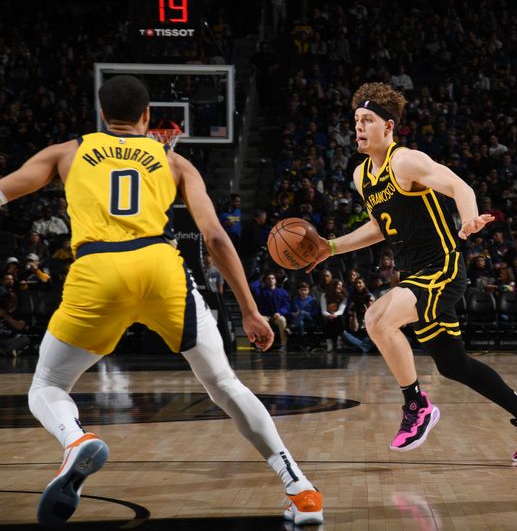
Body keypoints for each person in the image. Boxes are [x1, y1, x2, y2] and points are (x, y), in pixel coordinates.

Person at [0, 76, 322, 526]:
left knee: (47, 385)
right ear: (148, 117)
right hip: (161, 268)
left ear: (100, 116)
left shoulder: (67, 152)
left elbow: (5, 190)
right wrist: (250, 309)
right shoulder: (173, 159)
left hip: (97, 271)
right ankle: (300, 489)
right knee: (225, 385)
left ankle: (75, 441)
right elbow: (214, 237)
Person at [307, 82, 517, 461]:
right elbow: (379, 227)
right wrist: (330, 247)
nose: (358, 126)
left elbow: (459, 186)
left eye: (368, 119)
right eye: (356, 119)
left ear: (388, 127)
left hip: (442, 268)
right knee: (453, 365)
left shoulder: (405, 161)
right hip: (415, 275)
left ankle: (417, 406)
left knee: (376, 319)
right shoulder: (362, 176)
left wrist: (471, 219)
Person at [250, 272, 290, 352]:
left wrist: (279, 312)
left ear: (275, 280)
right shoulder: (261, 292)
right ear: (265, 281)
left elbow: (287, 306)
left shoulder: (282, 292)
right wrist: (259, 280)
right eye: (268, 278)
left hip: (277, 316)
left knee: (282, 320)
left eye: (273, 278)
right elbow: (252, 287)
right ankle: (260, 344)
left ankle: (283, 345)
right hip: (265, 315)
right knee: (260, 321)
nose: (271, 280)